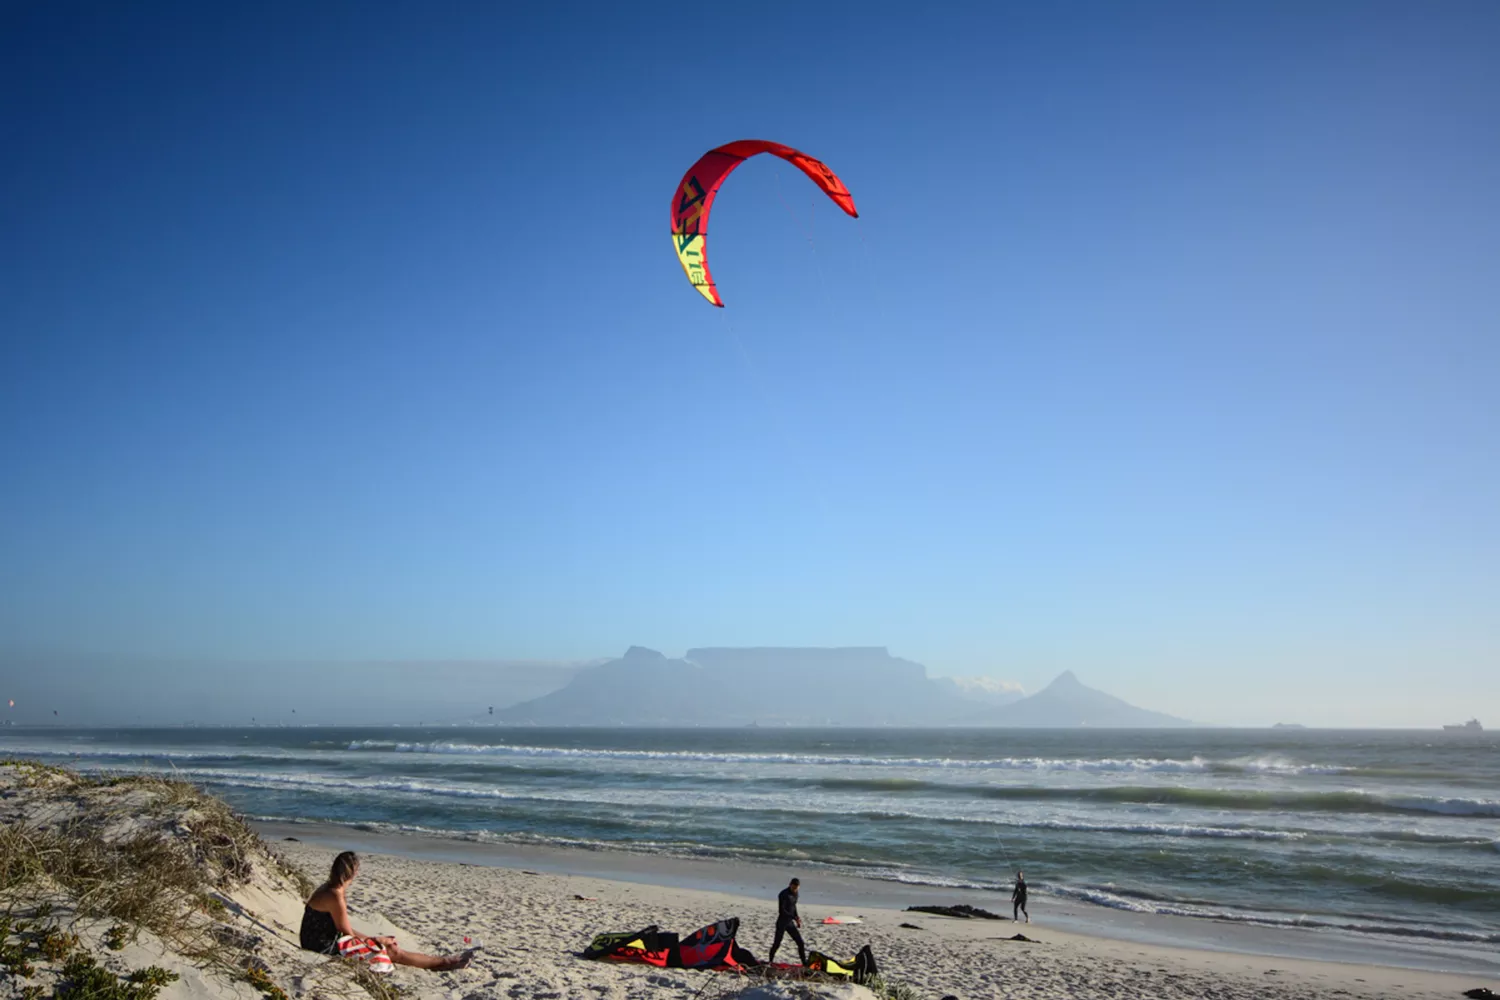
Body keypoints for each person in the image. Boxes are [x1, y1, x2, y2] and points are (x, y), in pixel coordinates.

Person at [300, 851, 475, 972]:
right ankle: (445, 963)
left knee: (386, 944)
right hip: (320, 946)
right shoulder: (335, 895)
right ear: (354, 872)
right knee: (392, 951)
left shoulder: (330, 888)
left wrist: (376, 939)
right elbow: (346, 933)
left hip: (320, 939)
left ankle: (443, 961)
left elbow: (344, 930)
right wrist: (378, 940)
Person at [767, 877, 807, 966]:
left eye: (796, 888)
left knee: (800, 942)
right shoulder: (783, 894)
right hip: (782, 922)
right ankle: (770, 961)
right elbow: (782, 910)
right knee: (777, 943)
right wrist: (793, 917)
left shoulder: (796, 893)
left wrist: (796, 917)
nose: (794, 890)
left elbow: (793, 906)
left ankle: (804, 963)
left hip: (790, 923)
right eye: (793, 888)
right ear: (790, 885)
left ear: (798, 887)